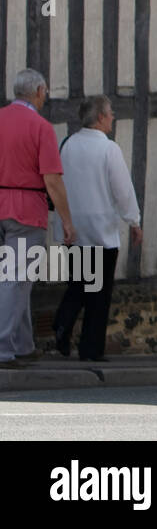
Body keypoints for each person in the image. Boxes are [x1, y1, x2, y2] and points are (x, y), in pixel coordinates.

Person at [52, 95, 142, 362]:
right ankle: (90, 348)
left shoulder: (67, 145)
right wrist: (134, 221)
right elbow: (123, 190)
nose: (113, 117)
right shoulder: (109, 149)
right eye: (110, 113)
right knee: (98, 294)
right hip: (101, 229)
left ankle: (62, 325)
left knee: (78, 284)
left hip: (74, 228)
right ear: (101, 117)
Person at [0, 69, 77, 368]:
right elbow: (52, 180)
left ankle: (23, 345)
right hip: (25, 210)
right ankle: (5, 348)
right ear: (40, 91)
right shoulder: (41, 128)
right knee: (16, 281)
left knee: (15, 281)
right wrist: (67, 221)